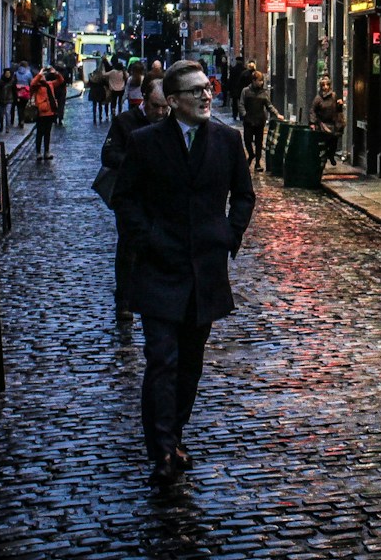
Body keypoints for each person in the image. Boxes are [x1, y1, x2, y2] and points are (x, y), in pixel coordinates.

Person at [113, 60, 255, 486]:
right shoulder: (146, 142)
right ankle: (160, 449)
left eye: (207, 88)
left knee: (190, 363)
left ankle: (174, 435)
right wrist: (148, 239)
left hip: (205, 271)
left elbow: (244, 196)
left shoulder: (228, 140)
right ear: (172, 102)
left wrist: (229, 236)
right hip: (160, 268)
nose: (206, 96)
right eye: (195, 91)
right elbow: (125, 199)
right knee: (161, 360)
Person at [96, 78, 170, 323]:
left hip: (160, 198)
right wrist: (136, 163)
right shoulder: (125, 122)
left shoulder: (172, 123)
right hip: (130, 197)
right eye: (155, 106)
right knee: (128, 248)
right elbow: (108, 155)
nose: (160, 112)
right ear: (144, 101)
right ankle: (124, 300)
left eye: (164, 107)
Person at [237, 69, 274, 168]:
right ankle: (251, 154)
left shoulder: (264, 93)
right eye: (259, 80)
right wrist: (245, 115)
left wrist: (276, 114)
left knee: (259, 142)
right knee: (247, 140)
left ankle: (257, 162)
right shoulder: (246, 91)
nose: (261, 82)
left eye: (262, 80)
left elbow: (269, 105)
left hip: (259, 120)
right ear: (253, 81)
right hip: (249, 120)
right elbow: (241, 104)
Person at [310, 75, 345, 167]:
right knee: (324, 143)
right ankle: (324, 159)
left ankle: (331, 155)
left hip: (333, 123)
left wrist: (340, 104)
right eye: (323, 85)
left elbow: (338, 110)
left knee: (334, 141)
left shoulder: (333, 96)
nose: (325, 87)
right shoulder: (318, 99)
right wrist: (313, 123)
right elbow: (313, 110)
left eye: (327, 85)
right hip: (323, 123)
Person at [32, 64, 62, 160]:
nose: (44, 76)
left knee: (47, 133)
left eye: (44, 75)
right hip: (41, 112)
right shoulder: (37, 86)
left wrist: (55, 72)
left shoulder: (50, 84)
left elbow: (61, 81)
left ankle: (46, 151)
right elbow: (32, 83)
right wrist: (40, 74)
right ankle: (38, 152)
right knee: (39, 133)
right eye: (43, 75)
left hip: (50, 112)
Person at [0, 67, 19, 131]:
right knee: (1, 114)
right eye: (6, 73)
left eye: (9, 73)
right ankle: (1, 125)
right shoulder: (0, 81)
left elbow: (15, 90)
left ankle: (7, 128)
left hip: (9, 99)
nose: (8, 74)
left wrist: (16, 98)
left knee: (7, 113)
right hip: (1, 100)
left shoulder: (12, 81)